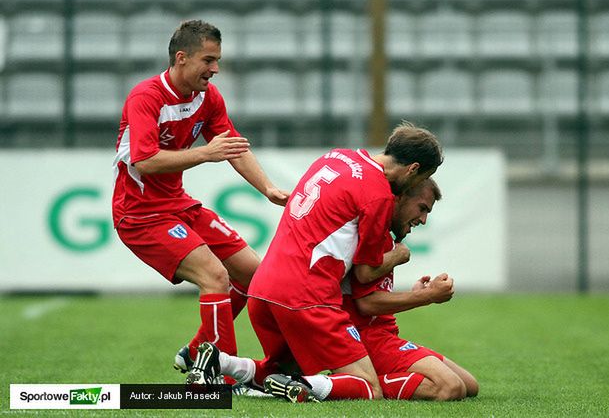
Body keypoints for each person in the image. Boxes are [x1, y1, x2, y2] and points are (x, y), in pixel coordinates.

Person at [186, 122, 444, 401]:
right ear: (413, 169)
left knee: (279, 369)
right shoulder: (378, 194)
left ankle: (220, 362)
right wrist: (399, 255)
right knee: (368, 388)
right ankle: (302, 387)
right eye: (421, 179)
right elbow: (366, 274)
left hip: (262, 288)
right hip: (306, 295)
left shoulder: (336, 156)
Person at [111, 20, 288, 372]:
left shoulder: (207, 97)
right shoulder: (146, 97)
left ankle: (197, 352)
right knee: (214, 276)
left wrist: (267, 188)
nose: (215, 69)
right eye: (208, 60)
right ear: (181, 58)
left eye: (217, 60)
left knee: (255, 275)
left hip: (179, 205)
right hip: (141, 214)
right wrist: (206, 153)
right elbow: (145, 162)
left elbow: (232, 145)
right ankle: (217, 376)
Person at [342, 178, 479, 401]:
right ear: (401, 197)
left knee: (470, 385)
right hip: (365, 339)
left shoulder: (385, 236)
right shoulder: (374, 234)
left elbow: (370, 294)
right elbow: (365, 304)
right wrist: (427, 296)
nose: (423, 220)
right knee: (451, 388)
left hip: (383, 336)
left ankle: (367, 377)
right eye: (422, 208)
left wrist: (418, 292)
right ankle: (363, 382)